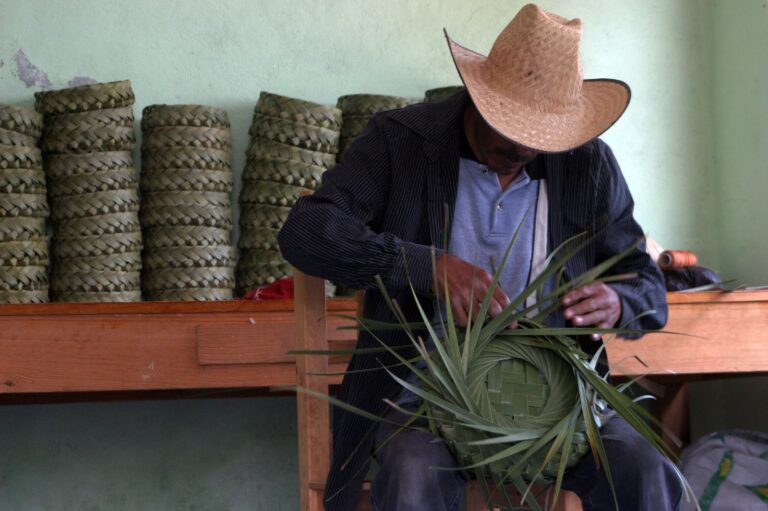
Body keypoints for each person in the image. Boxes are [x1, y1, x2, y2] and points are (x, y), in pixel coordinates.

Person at [278, 4, 680, 510]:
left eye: (538, 138)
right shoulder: (402, 143)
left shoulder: (586, 165)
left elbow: (647, 287)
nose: (521, 148)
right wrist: (426, 267)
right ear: (479, 97)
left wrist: (618, 302)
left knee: (647, 472)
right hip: (423, 402)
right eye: (509, 127)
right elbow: (306, 232)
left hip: (557, 407)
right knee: (412, 475)